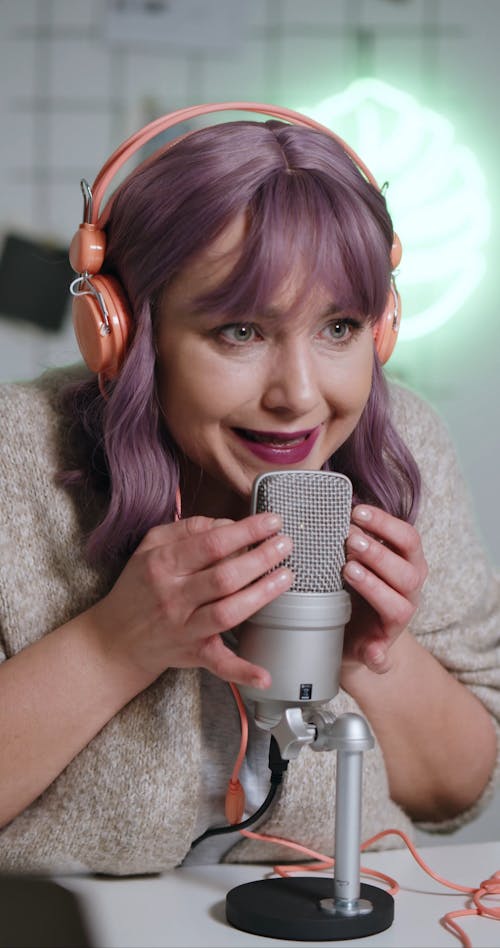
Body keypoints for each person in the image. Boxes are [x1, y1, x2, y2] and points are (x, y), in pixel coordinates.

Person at [0, 103, 498, 877]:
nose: (299, 395)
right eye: (240, 330)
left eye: (339, 327)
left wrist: (370, 651)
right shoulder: (15, 458)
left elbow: (453, 790)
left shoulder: (406, 448)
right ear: (125, 332)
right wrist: (114, 645)